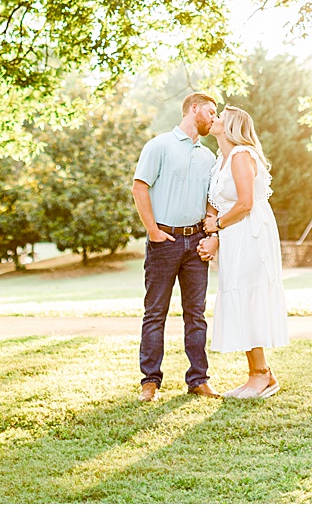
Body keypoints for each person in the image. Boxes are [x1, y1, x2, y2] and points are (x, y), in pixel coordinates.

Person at [131, 92, 220, 399]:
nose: (213, 118)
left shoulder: (209, 157)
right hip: (164, 241)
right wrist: (153, 231)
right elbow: (139, 187)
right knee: (155, 312)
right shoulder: (159, 146)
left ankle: (198, 379)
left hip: (196, 243)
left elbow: (213, 202)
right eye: (210, 111)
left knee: (196, 314)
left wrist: (212, 234)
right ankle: (150, 380)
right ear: (193, 109)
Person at [197, 105, 290, 398]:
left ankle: (261, 375)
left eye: (219, 117)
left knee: (248, 297)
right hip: (234, 235)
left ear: (231, 126)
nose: (214, 120)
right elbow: (215, 200)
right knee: (239, 296)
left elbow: (245, 203)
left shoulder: (240, 155)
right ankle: (259, 374)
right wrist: (214, 232)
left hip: (251, 235)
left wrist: (216, 226)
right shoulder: (220, 159)